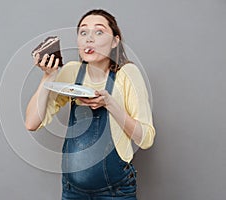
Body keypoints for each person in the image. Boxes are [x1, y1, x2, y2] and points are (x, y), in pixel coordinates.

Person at [25, 9, 155, 200]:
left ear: (115, 41)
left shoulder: (127, 74)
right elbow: (32, 123)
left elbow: (146, 139)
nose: (89, 38)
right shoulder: (71, 72)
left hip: (116, 192)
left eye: (99, 32)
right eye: (83, 32)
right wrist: (48, 76)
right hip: (72, 191)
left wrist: (110, 103)